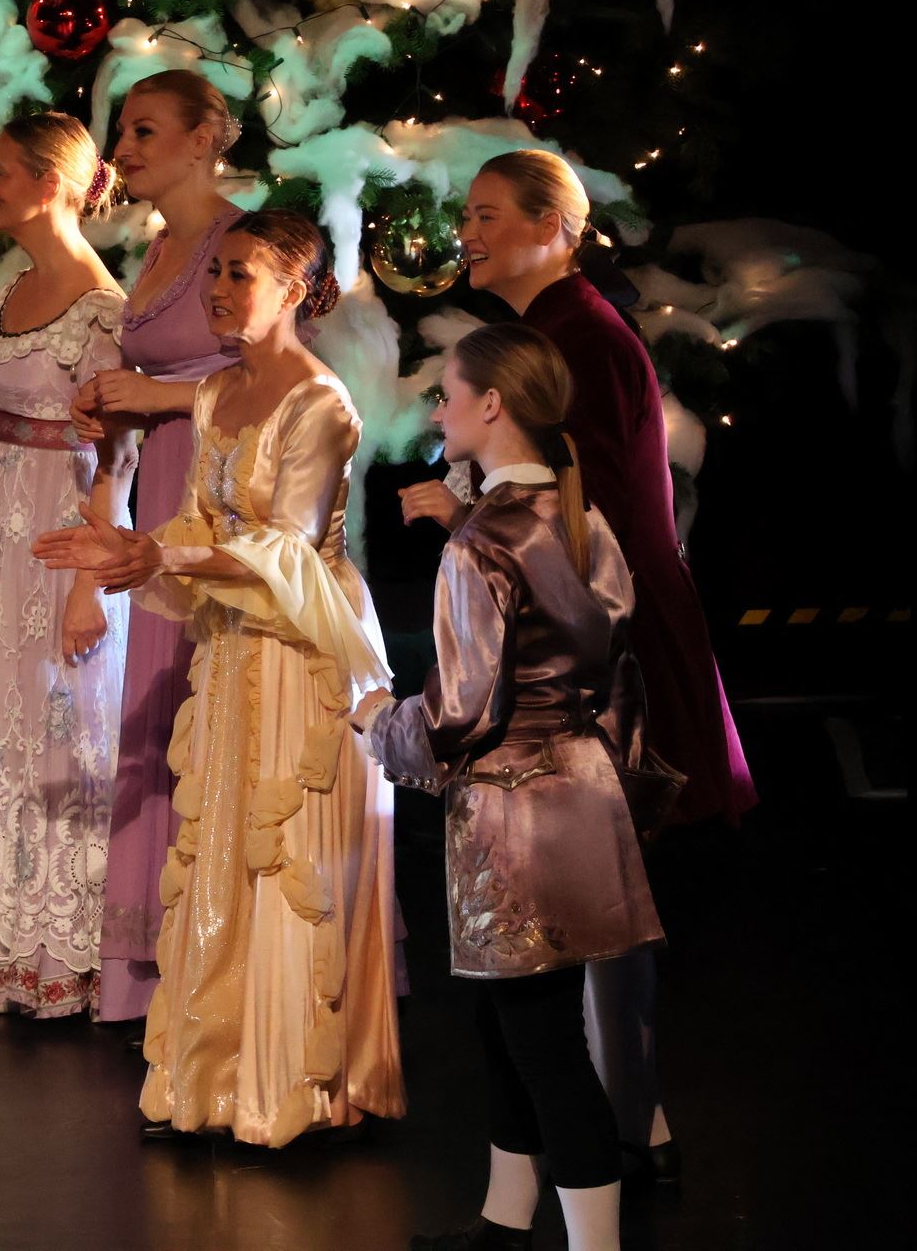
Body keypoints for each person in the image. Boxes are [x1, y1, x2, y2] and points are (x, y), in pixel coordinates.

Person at [402, 147, 749, 1171]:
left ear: (556, 226)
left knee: (601, 889)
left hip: (605, 651)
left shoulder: (580, 340)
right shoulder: (550, 332)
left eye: (489, 214)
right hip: (588, 637)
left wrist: (469, 523)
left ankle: (621, 1132)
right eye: (467, 214)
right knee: (597, 893)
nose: (467, 233)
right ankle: (625, 1126)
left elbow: (579, 523)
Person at [37, 209, 404, 1146]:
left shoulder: (320, 403)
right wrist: (134, 549)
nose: (219, 289)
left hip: (304, 645)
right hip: (236, 642)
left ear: (294, 290)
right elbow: (206, 527)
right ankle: (214, 1080)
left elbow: (286, 550)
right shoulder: (214, 395)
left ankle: (296, 1089)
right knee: (222, 850)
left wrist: (160, 559)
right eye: (216, 273)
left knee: (286, 859)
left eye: (242, 274)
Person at [356, 323, 667, 1251]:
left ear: (492, 405)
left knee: (544, 1046)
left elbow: (461, 711)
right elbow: (616, 670)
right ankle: (504, 1221)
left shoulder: (482, 541)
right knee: (508, 1024)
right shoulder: (578, 517)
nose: (437, 414)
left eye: (448, 395)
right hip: (583, 793)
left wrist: (379, 721)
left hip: (514, 813)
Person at [0, 111, 133, 1018]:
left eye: (2, 171)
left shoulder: (101, 311)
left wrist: (92, 585)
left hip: (60, 543)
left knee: (61, 729)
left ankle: (66, 959)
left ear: (52, 185)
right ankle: (7, 949)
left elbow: (119, 457)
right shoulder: (11, 291)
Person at [71, 70, 245, 1025]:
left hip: (228, 494)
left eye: (144, 131)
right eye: (122, 131)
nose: (124, 149)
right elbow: (150, 384)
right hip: (166, 488)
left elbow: (294, 388)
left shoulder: (243, 245)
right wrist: (112, 405)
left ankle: (226, 962)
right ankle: (158, 967)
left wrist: (162, 395)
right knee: (162, 707)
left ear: (202, 138)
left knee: (214, 709)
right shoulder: (157, 248)